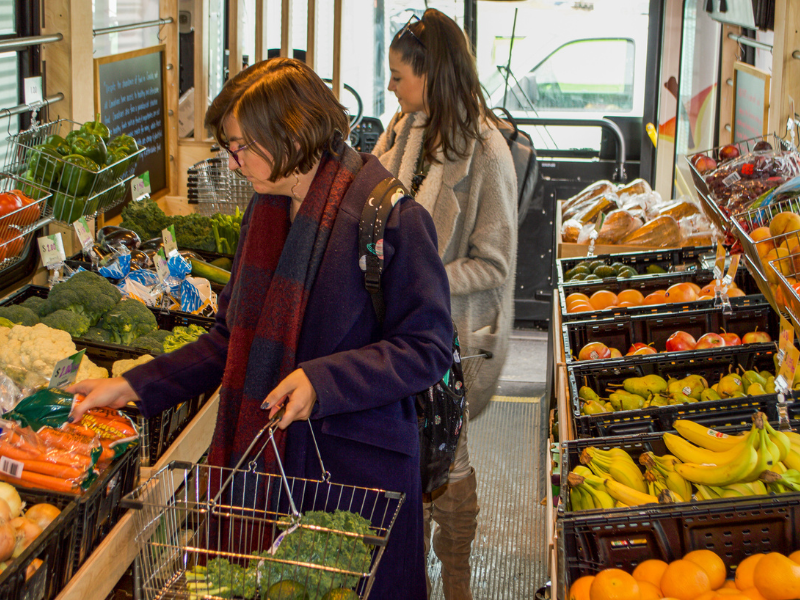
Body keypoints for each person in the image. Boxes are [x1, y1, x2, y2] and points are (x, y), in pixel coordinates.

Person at [68, 57, 454, 600]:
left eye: (240, 146)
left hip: (355, 477)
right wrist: (134, 387)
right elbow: (230, 341)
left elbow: (427, 347)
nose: (232, 162)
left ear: (291, 133)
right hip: (270, 472)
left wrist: (323, 381)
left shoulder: (389, 217)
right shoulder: (267, 212)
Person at [372, 8, 518, 600]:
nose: (390, 87)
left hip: (453, 337)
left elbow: (494, 266)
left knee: (446, 458)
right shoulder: (402, 129)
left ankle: (455, 578)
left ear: (432, 75)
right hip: (397, 328)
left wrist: (419, 274)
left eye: (399, 76)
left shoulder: (485, 151)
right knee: (411, 454)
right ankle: (415, 578)